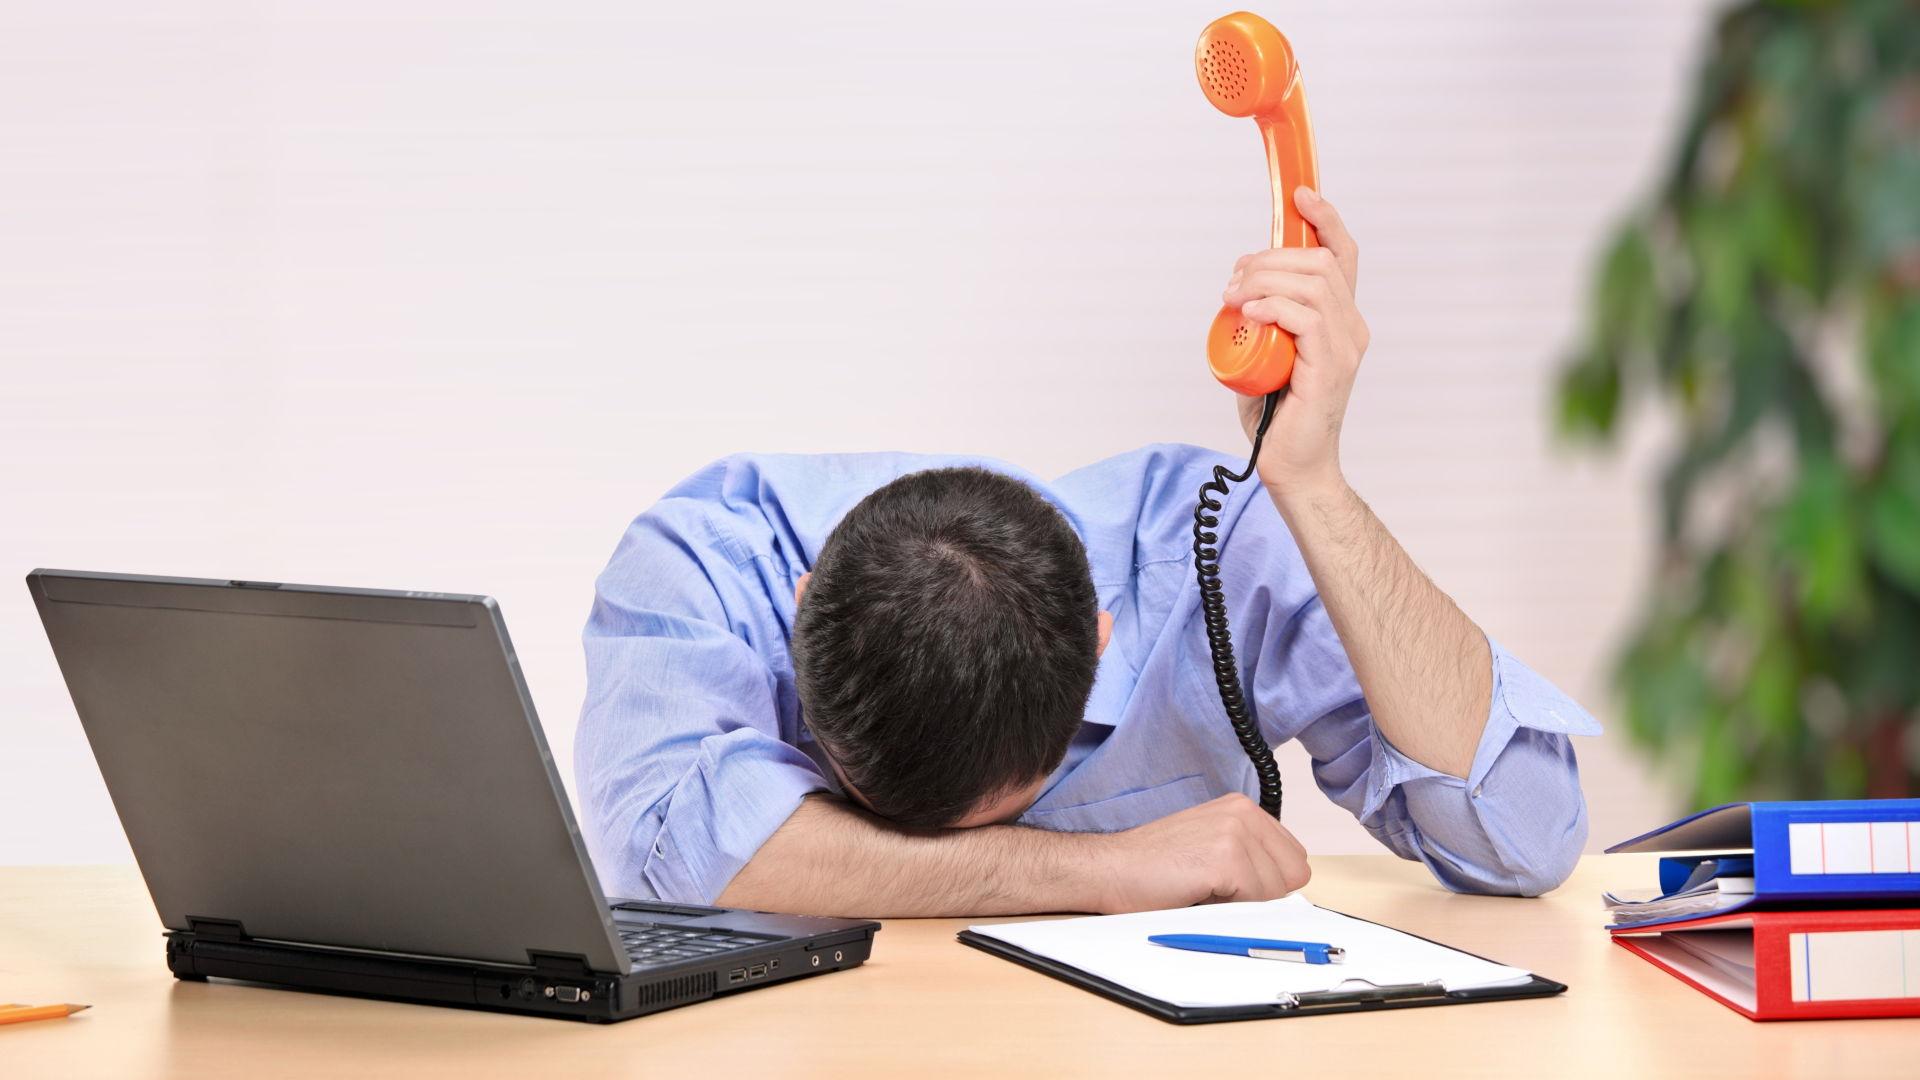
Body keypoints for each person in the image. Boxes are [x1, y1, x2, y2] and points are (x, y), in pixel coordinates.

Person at [575, 189, 1599, 917]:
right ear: (800, 610)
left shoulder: (1217, 555)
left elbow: (1523, 837)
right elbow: (665, 846)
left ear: (1102, 640)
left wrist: (1312, 486)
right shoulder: (701, 557)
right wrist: (1099, 869)